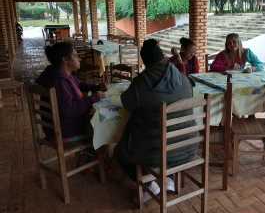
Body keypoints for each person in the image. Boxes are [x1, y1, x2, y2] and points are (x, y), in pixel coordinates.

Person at [114, 38, 199, 203]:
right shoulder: (186, 80)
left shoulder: (140, 83)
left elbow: (127, 104)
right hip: (187, 147)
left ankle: (149, 184)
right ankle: (169, 179)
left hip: (154, 151)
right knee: (170, 134)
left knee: (120, 152)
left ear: (143, 61)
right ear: (164, 58)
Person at [36, 42, 110, 175]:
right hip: (62, 131)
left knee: (97, 121)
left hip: (57, 125)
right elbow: (67, 109)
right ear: (65, 59)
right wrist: (93, 98)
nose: (79, 58)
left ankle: (85, 160)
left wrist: (96, 87)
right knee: (105, 128)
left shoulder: (58, 72)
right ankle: (92, 166)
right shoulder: (59, 80)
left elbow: (79, 83)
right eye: (76, 56)